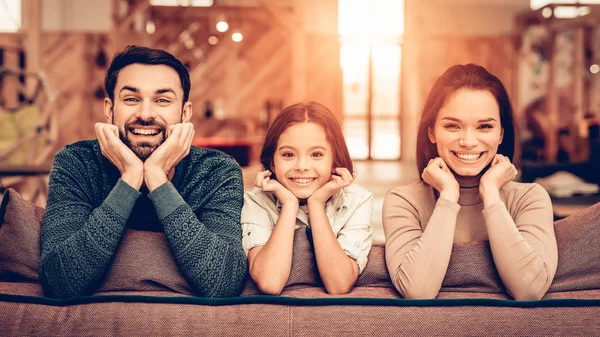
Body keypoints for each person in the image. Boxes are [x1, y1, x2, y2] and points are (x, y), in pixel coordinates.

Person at [39, 45, 247, 299]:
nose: (146, 114)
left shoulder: (217, 171)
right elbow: (60, 282)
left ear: (185, 113)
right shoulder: (76, 163)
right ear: (109, 109)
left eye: (162, 100)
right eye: (131, 99)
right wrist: (130, 179)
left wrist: (157, 178)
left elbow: (223, 284)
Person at [383, 64, 558, 300]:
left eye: (484, 126)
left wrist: (491, 194)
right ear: (432, 132)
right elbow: (418, 291)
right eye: (452, 126)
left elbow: (529, 290)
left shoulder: (530, 198)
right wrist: (447, 196)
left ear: (501, 134)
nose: (468, 141)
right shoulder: (404, 201)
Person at [242, 102, 373, 295]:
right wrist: (289, 205)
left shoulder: (357, 201)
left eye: (316, 154)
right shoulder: (256, 202)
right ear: (273, 163)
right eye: (288, 154)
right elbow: (269, 282)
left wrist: (316, 204)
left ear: (334, 160)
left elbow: (339, 284)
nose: (302, 166)